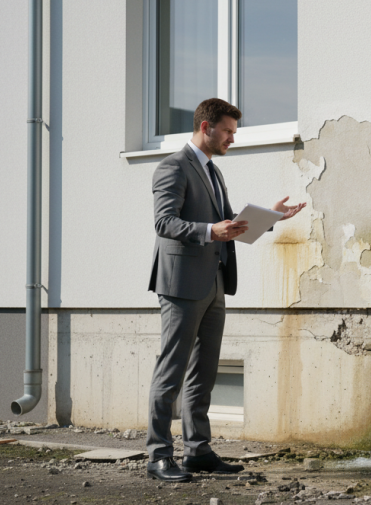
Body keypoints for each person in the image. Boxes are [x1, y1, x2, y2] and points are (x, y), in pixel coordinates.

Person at [145, 98, 306, 482]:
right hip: (181, 285)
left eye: (234, 132)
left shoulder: (213, 172)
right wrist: (208, 231)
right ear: (206, 128)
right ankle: (158, 456)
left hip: (215, 282)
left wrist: (270, 218)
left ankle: (197, 451)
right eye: (229, 131)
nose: (233, 138)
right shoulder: (172, 167)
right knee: (171, 372)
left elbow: (229, 227)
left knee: (203, 372)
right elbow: (164, 223)